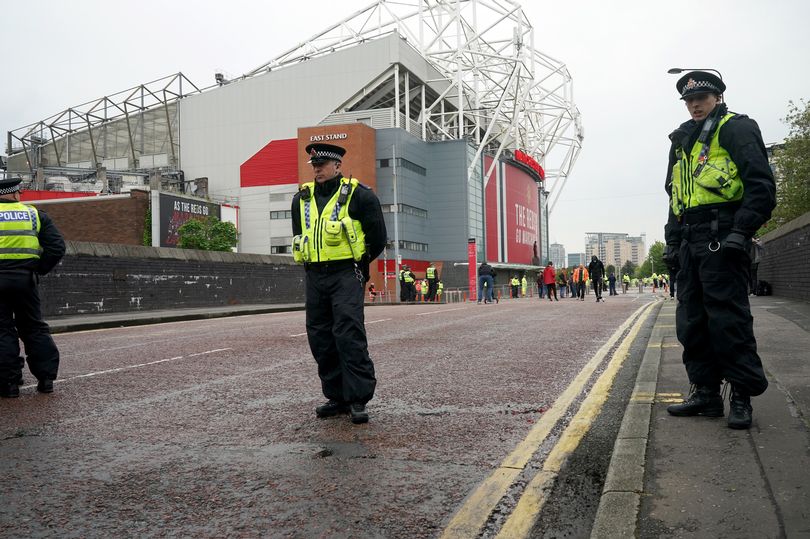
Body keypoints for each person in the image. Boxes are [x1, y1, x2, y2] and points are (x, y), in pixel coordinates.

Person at [663, 71, 776, 429]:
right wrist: (671, 241)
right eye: (689, 100)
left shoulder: (736, 128)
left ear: (718, 98)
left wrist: (741, 232)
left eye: (702, 98)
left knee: (728, 319)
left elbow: (761, 186)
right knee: (692, 322)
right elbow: (676, 196)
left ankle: (741, 396)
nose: (695, 105)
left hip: (723, 236)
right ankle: (707, 394)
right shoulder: (681, 140)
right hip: (690, 241)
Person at [291, 143, 387, 424]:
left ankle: (358, 398)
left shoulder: (360, 196)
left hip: (346, 273)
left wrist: (360, 265)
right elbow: (300, 235)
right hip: (315, 275)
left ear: (337, 166)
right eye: (314, 165)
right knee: (320, 337)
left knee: (348, 333)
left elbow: (378, 237)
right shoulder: (301, 199)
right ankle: (337, 397)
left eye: (322, 164)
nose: (317, 169)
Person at [0, 176, 66, 398]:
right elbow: (57, 247)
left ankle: (9, 384)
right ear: (16, 193)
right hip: (26, 280)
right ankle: (46, 379)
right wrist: (38, 270)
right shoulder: (34, 215)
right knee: (34, 327)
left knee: (2, 331)